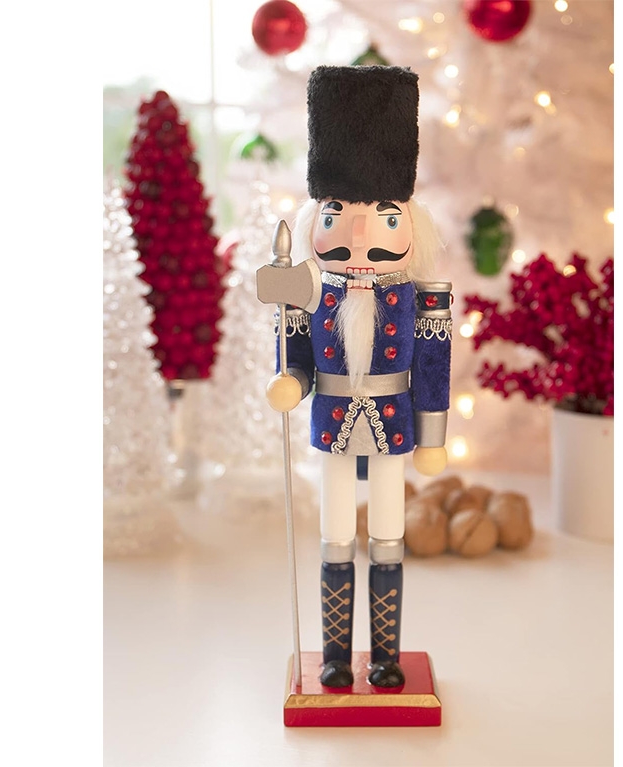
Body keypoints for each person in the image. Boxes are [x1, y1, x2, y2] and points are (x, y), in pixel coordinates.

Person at [258, 65, 452, 689]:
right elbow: (295, 353)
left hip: (393, 427)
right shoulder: (312, 292)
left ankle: (387, 656)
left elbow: (431, 367)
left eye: (386, 217)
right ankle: (336, 656)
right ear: (315, 219)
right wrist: (291, 381)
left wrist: (433, 436)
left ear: (412, 225)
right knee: (335, 535)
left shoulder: (418, 300)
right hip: (334, 423)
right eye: (339, 214)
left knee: (389, 536)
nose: (361, 233)